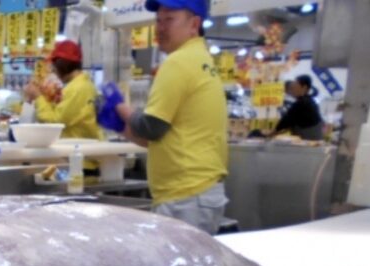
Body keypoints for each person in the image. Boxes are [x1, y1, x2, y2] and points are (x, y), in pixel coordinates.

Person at [102, 0, 228, 234]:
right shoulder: (200, 58)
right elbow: (158, 139)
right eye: (158, 20)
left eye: (169, 19)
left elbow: (150, 127)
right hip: (198, 193)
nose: (160, 28)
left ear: (194, 24)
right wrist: (120, 126)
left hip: (186, 196)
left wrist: (119, 106)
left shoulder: (179, 61)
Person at [23, 40, 103, 170]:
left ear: (62, 64)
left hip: (81, 163)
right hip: (76, 158)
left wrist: (38, 97)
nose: (53, 70)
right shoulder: (78, 86)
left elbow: (56, 122)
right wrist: (47, 98)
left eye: (54, 65)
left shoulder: (77, 89)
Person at [273, 74, 324, 141]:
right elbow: (289, 121)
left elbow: (286, 120)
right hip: (313, 137)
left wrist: (273, 132)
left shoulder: (302, 103)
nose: (293, 89)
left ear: (304, 88)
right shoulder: (308, 100)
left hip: (309, 139)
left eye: (295, 86)